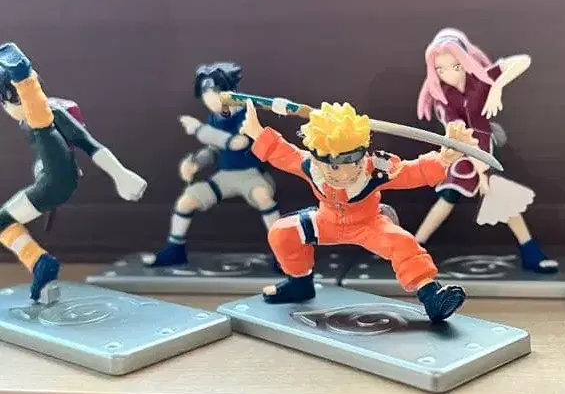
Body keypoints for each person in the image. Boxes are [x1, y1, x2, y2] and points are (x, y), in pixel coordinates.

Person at [242, 98, 477, 322]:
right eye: (334, 166)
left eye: (352, 162)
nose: (344, 174)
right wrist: (257, 133)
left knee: (402, 242)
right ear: (317, 160)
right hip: (326, 223)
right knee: (282, 232)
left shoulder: (377, 169)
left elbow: (411, 172)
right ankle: (299, 284)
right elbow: (282, 152)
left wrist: (444, 159)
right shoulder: (309, 166)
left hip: (369, 225)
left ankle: (431, 295)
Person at [0, 42, 146, 301]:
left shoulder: (45, 114)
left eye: (5, 103)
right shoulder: (33, 120)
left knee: (3, 222)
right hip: (53, 180)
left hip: (54, 183)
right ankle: (39, 262)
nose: (6, 109)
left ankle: (40, 262)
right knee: (4, 221)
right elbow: (58, 148)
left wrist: (121, 175)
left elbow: (88, 144)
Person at [415, 27, 558, 273]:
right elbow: (459, 134)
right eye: (440, 69)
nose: (449, 74)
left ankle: (531, 253)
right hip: (463, 153)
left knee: (502, 198)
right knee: (448, 197)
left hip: (486, 150)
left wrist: (498, 86)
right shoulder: (444, 99)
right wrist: (480, 173)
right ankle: (413, 249)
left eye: (455, 66)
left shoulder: (481, 80)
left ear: (464, 61)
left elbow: (522, 61)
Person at [142, 63, 280, 268]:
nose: (210, 98)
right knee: (186, 201)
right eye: (206, 93)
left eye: (215, 92)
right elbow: (214, 149)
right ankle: (174, 250)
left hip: (252, 175)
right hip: (224, 176)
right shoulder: (214, 120)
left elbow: (238, 142)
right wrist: (196, 162)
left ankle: (282, 251)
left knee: (263, 197)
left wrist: (199, 130)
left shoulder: (246, 115)